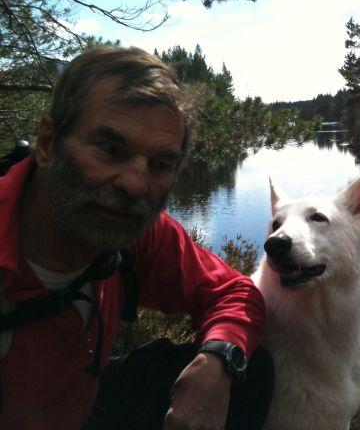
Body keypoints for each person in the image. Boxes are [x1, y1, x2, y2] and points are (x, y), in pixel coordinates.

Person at [0, 46, 272, 429]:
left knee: (250, 369)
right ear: (47, 143)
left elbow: (234, 293)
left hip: (84, 403)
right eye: (111, 150)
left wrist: (219, 358)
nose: (135, 183)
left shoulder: (130, 232)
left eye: (160, 164)